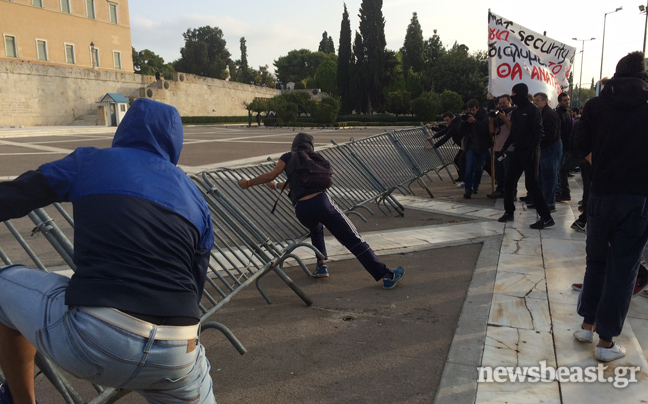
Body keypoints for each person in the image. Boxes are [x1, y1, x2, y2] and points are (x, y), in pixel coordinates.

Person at [0, 99, 216, 403]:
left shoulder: (90, 161)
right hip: (178, 350)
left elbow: (20, 194)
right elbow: (196, 285)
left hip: (95, 339)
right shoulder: (196, 197)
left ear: (124, 131)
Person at [237, 132, 405, 289]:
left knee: (316, 229)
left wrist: (249, 183)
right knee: (353, 239)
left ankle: (321, 265)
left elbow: (273, 176)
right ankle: (386, 275)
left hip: (302, 210)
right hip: (322, 202)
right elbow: (309, 182)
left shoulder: (288, 157)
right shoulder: (314, 158)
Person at [573, 51, 648, 361]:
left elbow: (578, 147)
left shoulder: (595, 104)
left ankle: (587, 324)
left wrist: (601, 163)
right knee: (624, 268)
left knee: (597, 261)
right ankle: (606, 342)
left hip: (601, 195)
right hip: (638, 199)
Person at [497, 83, 555, 229]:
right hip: (518, 151)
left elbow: (539, 132)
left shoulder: (532, 110)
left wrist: (531, 151)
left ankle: (546, 217)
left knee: (532, 185)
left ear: (522, 93)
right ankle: (509, 212)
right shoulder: (517, 111)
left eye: (514, 93)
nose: (512, 96)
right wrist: (505, 148)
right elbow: (514, 132)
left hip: (530, 151)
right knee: (509, 182)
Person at [533, 92, 562, 211]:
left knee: (549, 176)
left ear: (545, 101)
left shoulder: (549, 114)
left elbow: (551, 133)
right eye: (534, 101)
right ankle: (542, 201)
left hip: (550, 147)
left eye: (537, 101)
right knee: (542, 176)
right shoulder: (540, 113)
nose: (535, 103)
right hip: (545, 147)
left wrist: (537, 138)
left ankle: (549, 203)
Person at [458, 99, 490, 199]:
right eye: (469, 109)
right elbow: (459, 131)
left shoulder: (484, 115)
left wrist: (474, 121)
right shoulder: (467, 115)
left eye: (473, 110)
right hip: (470, 146)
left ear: (478, 108)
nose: (471, 112)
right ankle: (468, 190)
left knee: (479, 168)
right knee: (469, 168)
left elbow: (485, 129)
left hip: (482, 146)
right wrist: (463, 121)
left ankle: (476, 186)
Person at [487, 95, 514, 199]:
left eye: (504, 102)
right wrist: (492, 118)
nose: (502, 105)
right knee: (499, 172)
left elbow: (512, 128)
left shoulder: (513, 113)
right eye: (500, 103)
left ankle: (511, 192)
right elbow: (492, 131)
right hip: (498, 147)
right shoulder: (498, 116)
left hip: (509, 148)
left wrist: (504, 118)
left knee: (509, 173)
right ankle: (500, 190)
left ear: (510, 102)